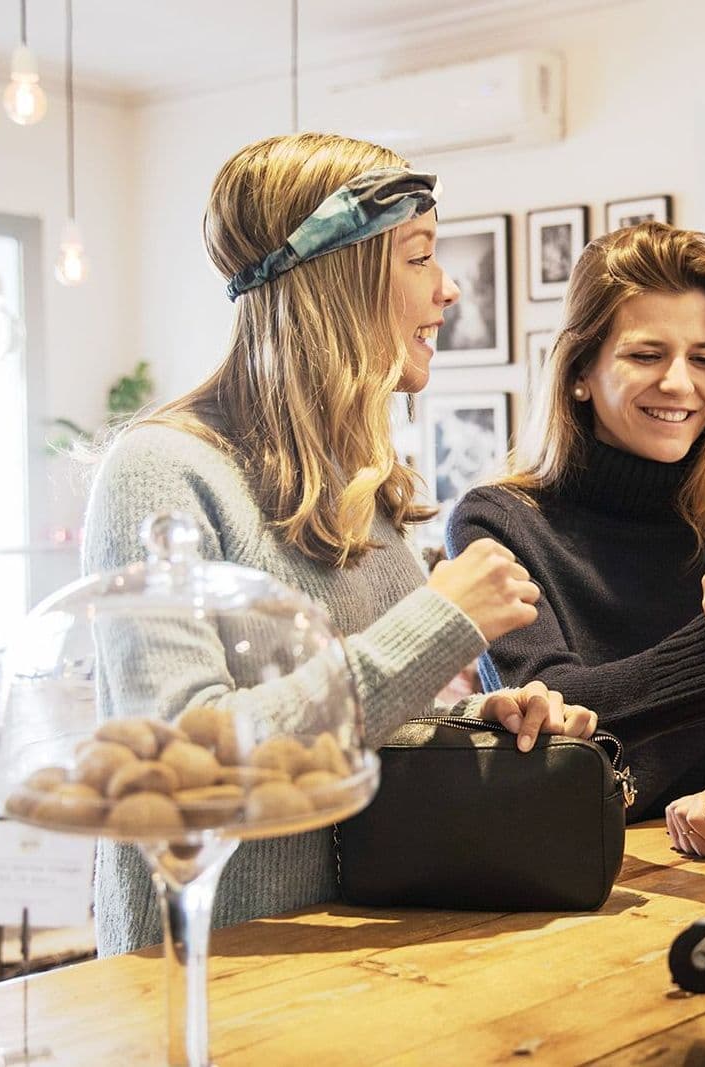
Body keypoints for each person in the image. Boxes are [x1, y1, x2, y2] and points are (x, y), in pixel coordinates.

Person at [83, 133, 596, 955]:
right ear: (338, 277)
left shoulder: (361, 488)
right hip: (202, 988)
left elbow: (347, 724)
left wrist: (469, 719)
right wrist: (435, 624)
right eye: (420, 258)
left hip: (353, 972)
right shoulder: (159, 472)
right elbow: (183, 763)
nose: (449, 288)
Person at [448, 222, 705, 855]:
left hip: (694, 879)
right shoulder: (497, 524)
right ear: (579, 372)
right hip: (541, 877)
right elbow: (552, 714)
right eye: (647, 355)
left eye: (704, 359)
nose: (680, 383)